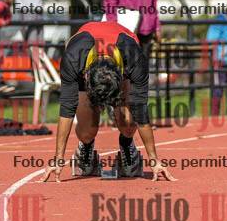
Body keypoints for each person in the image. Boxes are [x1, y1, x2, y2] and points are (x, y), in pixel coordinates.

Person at [39, 20, 175, 182]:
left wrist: (154, 160)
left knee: (127, 124)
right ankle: (86, 146)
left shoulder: (135, 59)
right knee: (87, 132)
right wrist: (58, 158)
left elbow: (140, 111)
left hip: (122, 60)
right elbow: (67, 109)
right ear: (86, 76)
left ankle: (126, 144)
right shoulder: (73, 59)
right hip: (85, 60)